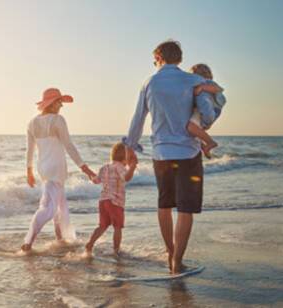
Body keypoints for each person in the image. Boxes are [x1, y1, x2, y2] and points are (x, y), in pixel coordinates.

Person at [124, 40, 216, 274]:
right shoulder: (194, 80)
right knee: (185, 209)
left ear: (159, 57)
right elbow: (206, 113)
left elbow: (138, 119)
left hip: (162, 154)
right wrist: (203, 126)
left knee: (164, 204)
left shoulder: (149, 82)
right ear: (179, 58)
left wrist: (130, 148)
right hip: (188, 153)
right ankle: (177, 261)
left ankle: (169, 252)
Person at [22, 88, 95, 252]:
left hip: (44, 168)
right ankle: (28, 241)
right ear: (51, 103)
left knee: (60, 205)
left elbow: (30, 150)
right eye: (59, 102)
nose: (61, 105)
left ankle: (60, 239)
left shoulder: (32, 123)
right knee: (47, 208)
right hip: (56, 168)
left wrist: (29, 171)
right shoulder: (58, 120)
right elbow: (69, 146)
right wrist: (86, 168)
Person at [84, 142, 137, 256]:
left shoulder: (104, 167)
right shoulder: (120, 167)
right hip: (115, 202)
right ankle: (116, 250)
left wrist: (88, 172)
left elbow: (95, 180)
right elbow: (126, 177)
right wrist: (133, 166)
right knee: (117, 227)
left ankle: (90, 243)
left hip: (103, 201)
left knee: (102, 226)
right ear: (125, 157)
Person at [186, 63, 227, 158]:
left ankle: (210, 142)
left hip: (208, 110)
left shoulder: (207, 83)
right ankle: (204, 147)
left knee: (191, 127)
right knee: (194, 132)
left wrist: (202, 87)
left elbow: (219, 89)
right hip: (209, 111)